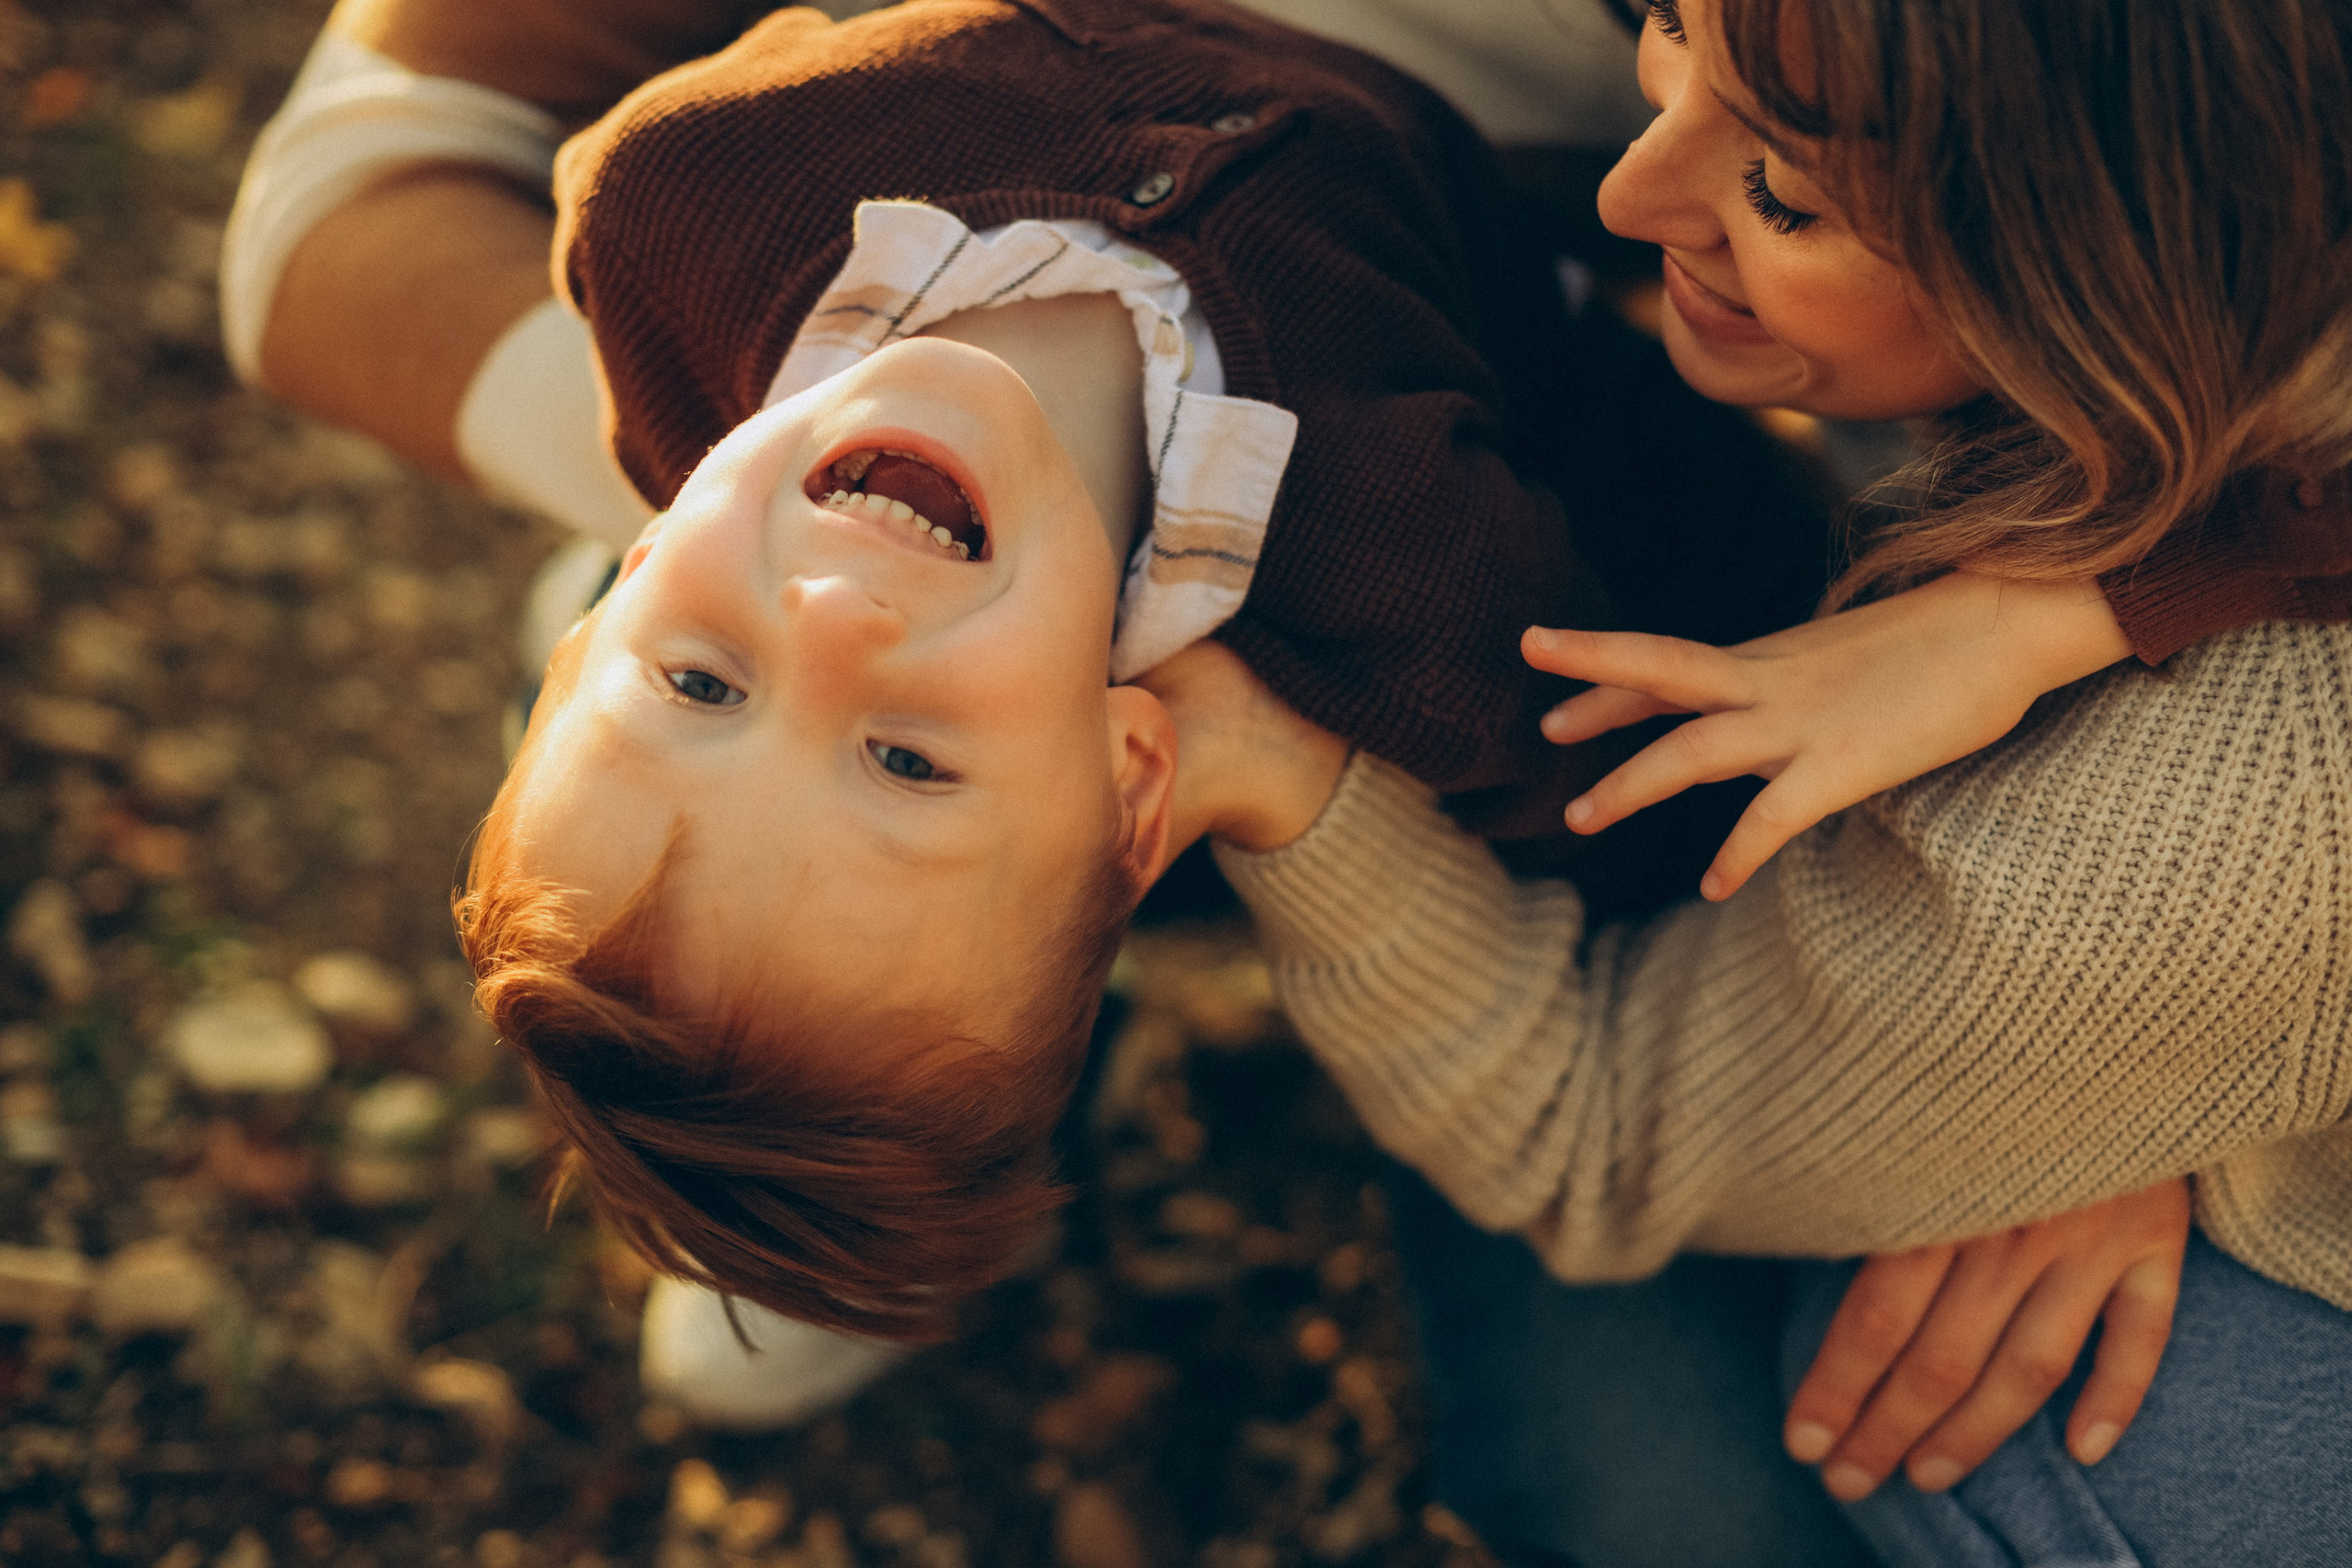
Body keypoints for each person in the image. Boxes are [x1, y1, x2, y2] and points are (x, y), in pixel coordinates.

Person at [1186, 0, 2352, 1562]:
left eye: (1788, 193)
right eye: (1673, 20)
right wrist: (2076, 598)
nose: (1634, 194)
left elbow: (1584, 1117)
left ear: (2114, 274)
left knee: (1711, 1463)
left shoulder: (2153, 838)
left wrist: (1291, 789)